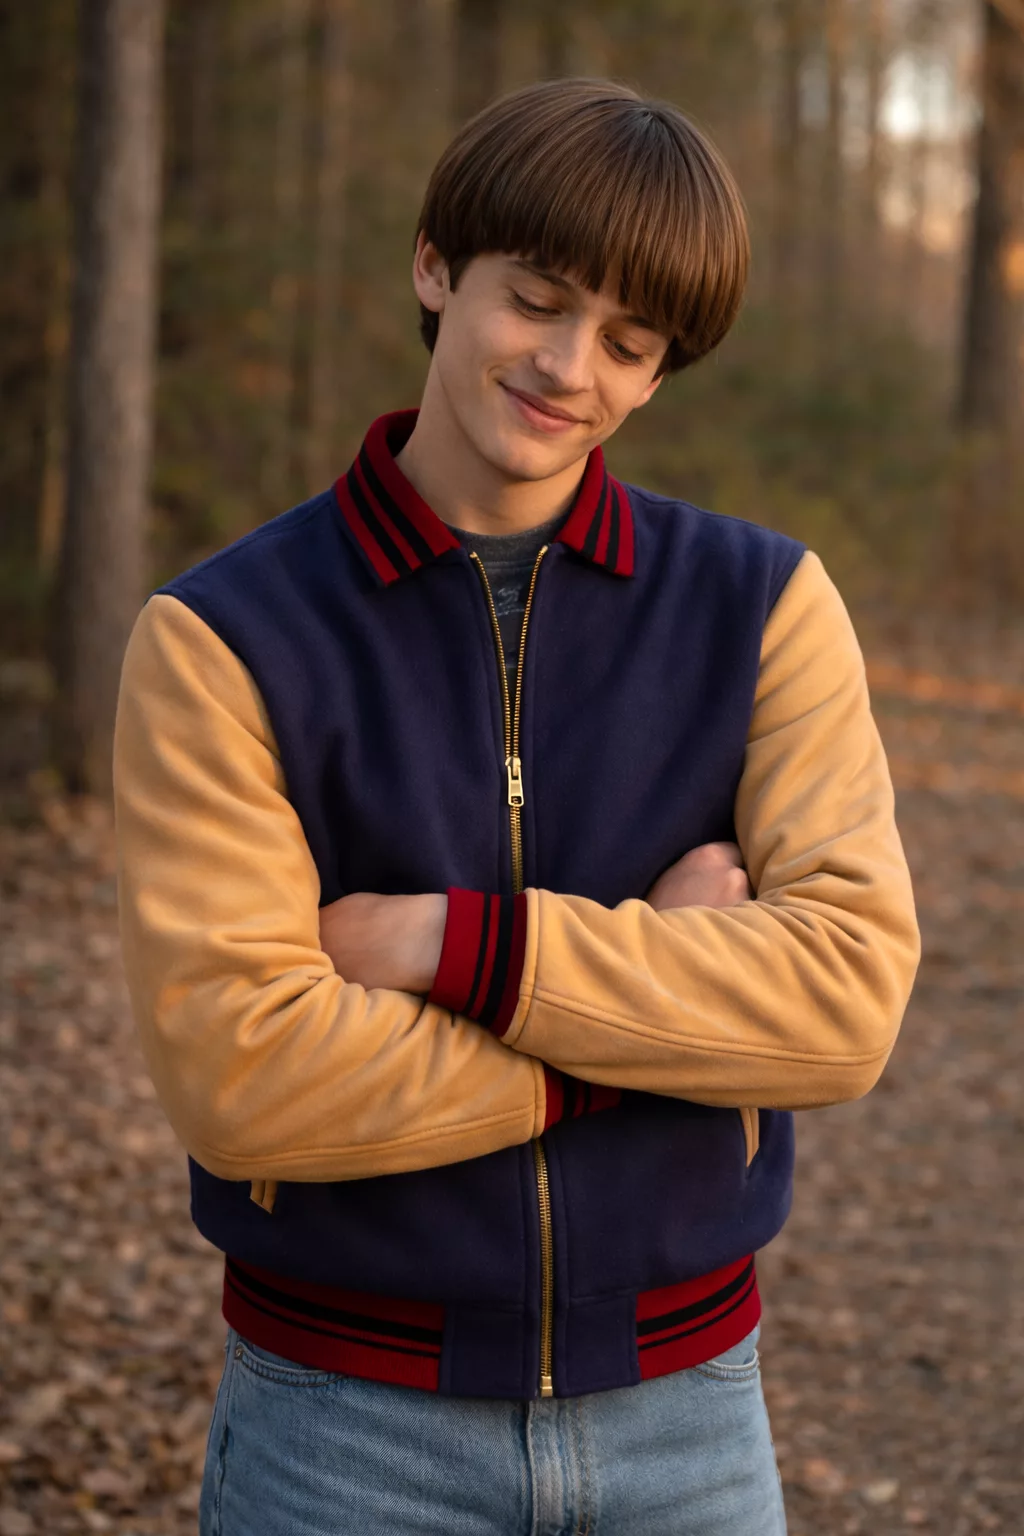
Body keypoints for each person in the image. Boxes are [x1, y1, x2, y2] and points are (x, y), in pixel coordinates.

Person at [113, 77, 919, 1536]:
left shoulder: (763, 608)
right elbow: (243, 1080)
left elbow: (848, 1002)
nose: (567, 367)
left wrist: (452, 947)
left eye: (628, 341)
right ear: (437, 266)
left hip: (691, 1428)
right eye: (536, 301)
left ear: (660, 373)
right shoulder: (223, 638)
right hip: (341, 1437)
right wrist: (661, 1027)